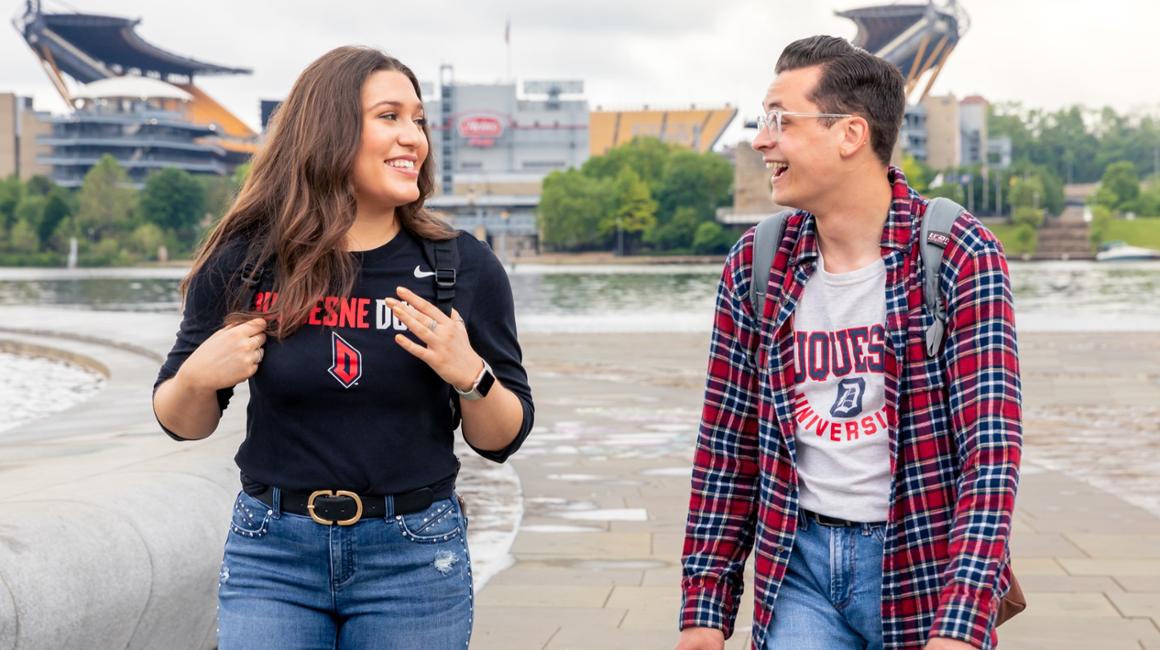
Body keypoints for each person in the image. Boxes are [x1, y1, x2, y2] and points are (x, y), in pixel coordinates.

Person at [152, 46, 533, 649]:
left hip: (414, 558)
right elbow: (181, 423)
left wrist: (472, 376)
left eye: (419, 120)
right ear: (328, 130)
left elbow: (503, 439)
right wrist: (198, 378)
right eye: (390, 117)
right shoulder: (246, 264)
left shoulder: (463, 268)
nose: (414, 137)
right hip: (272, 557)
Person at [677, 36, 1021, 650]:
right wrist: (704, 611)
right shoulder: (757, 263)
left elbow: (990, 453)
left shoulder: (957, 254)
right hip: (797, 567)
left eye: (780, 120)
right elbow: (726, 447)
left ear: (850, 134)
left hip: (922, 563)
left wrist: (963, 622)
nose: (761, 139)